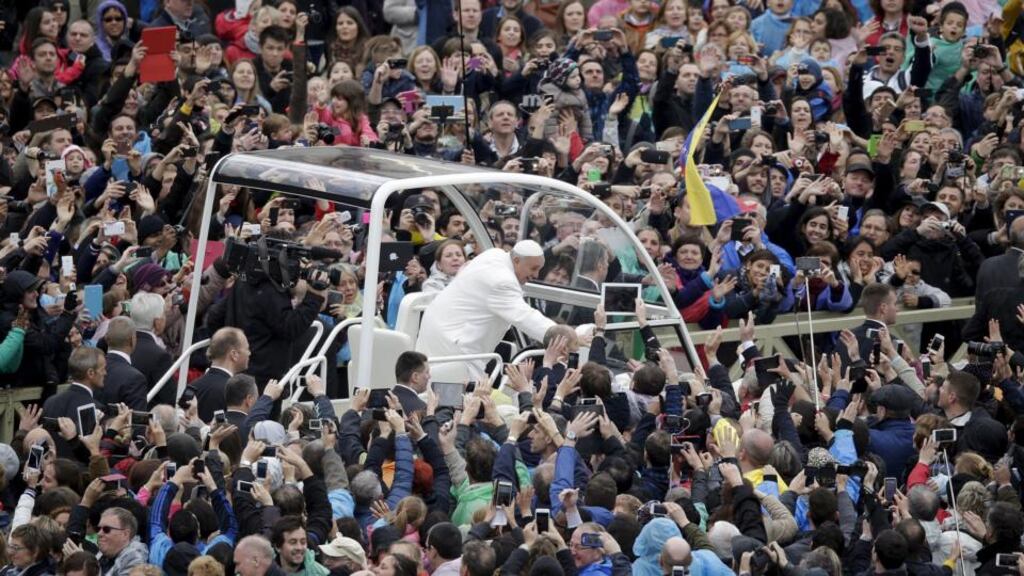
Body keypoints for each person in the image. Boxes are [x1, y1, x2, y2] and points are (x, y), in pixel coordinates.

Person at [417, 240, 555, 381]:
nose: (537, 275)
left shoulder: (494, 254)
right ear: (517, 260)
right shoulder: (502, 280)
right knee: (456, 398)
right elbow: (526, 317)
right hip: (454, 347)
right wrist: (563, 336)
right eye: (533, 268)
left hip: (444, 333)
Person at [41, 347, 105, 458]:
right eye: (103, 369)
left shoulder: (50, 402)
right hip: (77, 472)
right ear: (90, 373)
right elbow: (89, 453)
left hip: (51, 468)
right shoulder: (94, 408)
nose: (105, 373)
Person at [188, 327, 250, 422]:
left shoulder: (193, 386)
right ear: (234, 354)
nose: (249, 353)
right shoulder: (235, 392)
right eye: (247, 349)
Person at [97, 316, 148, 411]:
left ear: (107, 339)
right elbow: (136, 421)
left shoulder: (93, 367)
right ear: (132, 340)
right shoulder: (135, 378)